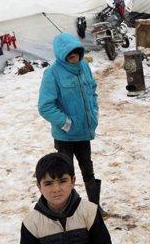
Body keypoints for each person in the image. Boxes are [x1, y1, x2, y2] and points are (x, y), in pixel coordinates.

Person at [38, 32, 104, 212]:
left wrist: (94, 111)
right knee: (65, 175)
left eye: (76, 50)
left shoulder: (84, 67)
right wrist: (66, 123)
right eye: (68, 52)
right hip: (65, 136)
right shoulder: (52, 73)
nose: (73, 54)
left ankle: (94, 207)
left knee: (88, 170)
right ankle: (69, 209)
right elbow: (45, 106)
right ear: (61, 53)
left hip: (84, 132)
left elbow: (92, 90)